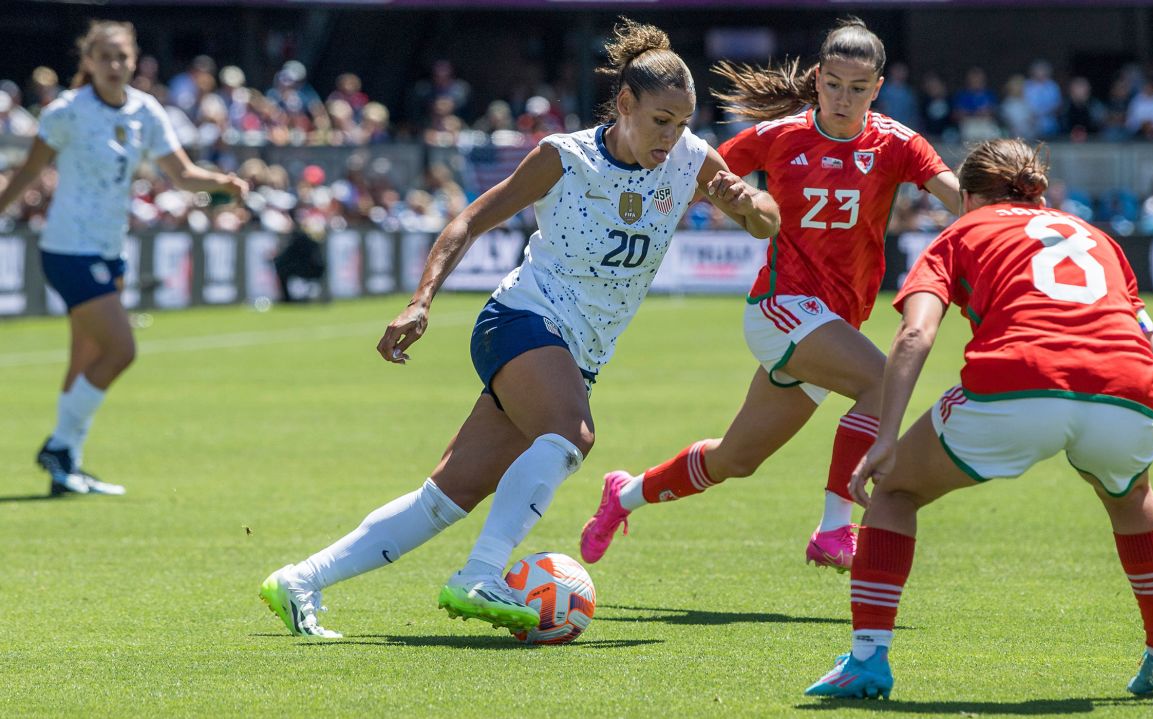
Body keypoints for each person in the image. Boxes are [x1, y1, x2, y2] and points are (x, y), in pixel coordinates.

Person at [258, 18, 780, 638]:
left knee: (444, 499)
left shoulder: (692, 160)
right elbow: (467, 222)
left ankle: (298, 580)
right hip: (522, 319)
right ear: (625, 105)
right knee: (573, 435)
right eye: (661, 120)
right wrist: (420, 301)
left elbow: (766, 221)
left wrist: (750, 204)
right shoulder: (564, 157)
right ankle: (481, 573)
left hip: (575, 351)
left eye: (683, 122)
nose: (672, 135)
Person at [805, 139, 1153, 699]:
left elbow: (916, 332)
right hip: (1127, 388)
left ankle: (867, 661)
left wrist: (885, 438)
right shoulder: (1097, 239)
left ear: (966, 196)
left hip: (1019, 382)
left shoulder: (958, 233)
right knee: (1130, 499)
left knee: (897, 491)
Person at [579, 18, 960, 573]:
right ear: (818, 77)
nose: (843, 98)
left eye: (858, 88)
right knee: (882, 381)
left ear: (878, 88)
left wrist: (1008, 218)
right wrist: (632, 208)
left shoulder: (898, 143)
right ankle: (834, 531)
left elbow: (958, 200)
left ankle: (624, 495)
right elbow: (698, 172)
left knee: (735, 459)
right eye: (833, 84)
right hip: (781, 307)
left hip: (831, 327)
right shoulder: (780, 137)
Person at [0, 21, 246, 496]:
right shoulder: (67, 111)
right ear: (88, 62)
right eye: (105, 57)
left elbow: (182, 173)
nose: (115, 65)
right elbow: (29, 172)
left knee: (84, 359)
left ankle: (65, 465)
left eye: (122, 57)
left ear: (134, 62)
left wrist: (223, 183)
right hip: (68, 248)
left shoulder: (145, 110)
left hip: (110, 251)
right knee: (120, 351)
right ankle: (58, 446)